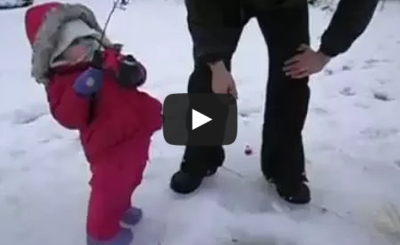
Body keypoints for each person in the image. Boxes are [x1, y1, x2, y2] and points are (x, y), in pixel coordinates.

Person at [170, 0, 379, 204]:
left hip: (285, 4)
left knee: (294, 73)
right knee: (208, 78)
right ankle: (201, 156)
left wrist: (326, 52)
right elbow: (201, 7)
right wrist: (215, 62)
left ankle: (283, 166)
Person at [24, 2, 162, 245]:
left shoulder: (106, 57)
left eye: (89, 38)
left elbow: (137, 78)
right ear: (57, 52)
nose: (86, 45)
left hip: (136, 130)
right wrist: (81, 91)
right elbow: (67, 117)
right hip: (107, 144)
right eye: (75, 44)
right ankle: (101, 234)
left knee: (133, 176)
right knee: (108, 189)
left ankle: (122, 206)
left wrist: (132, 70)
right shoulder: (61, 81)